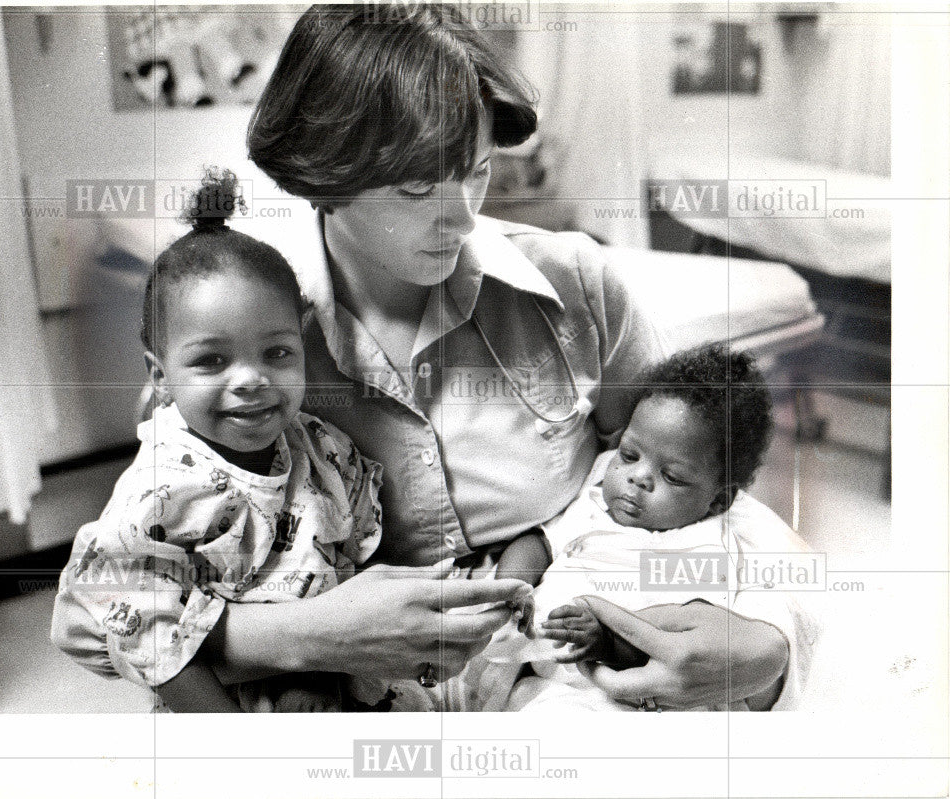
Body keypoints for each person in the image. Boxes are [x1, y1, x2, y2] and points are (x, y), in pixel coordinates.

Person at [54, 3, 802, 710]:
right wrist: (307, 632)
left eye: (476, 170)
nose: (464, 215)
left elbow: (698, 472)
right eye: (418, 187)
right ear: (324, 179)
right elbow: (103, 615)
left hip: (557, 683)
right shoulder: (241, 353)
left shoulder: (577, 286)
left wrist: (771, 640)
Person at [51, 169, 531, 712]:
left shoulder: (325, 450)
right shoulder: (161, 490)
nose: (251, 379)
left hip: (341, 679)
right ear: (159, 375)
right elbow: (146, 636)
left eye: (277, 353)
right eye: (212, 360)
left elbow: (355, 576)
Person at [484, 345, 820, 711]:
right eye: (629, 455)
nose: (638, 477)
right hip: (543, 669)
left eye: (672, 476)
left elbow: (682, 641)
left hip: (630, 694)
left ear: (718, 501)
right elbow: (538, 544)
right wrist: (509, 588)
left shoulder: (705, 545)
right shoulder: (594, 504)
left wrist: (605, 641)